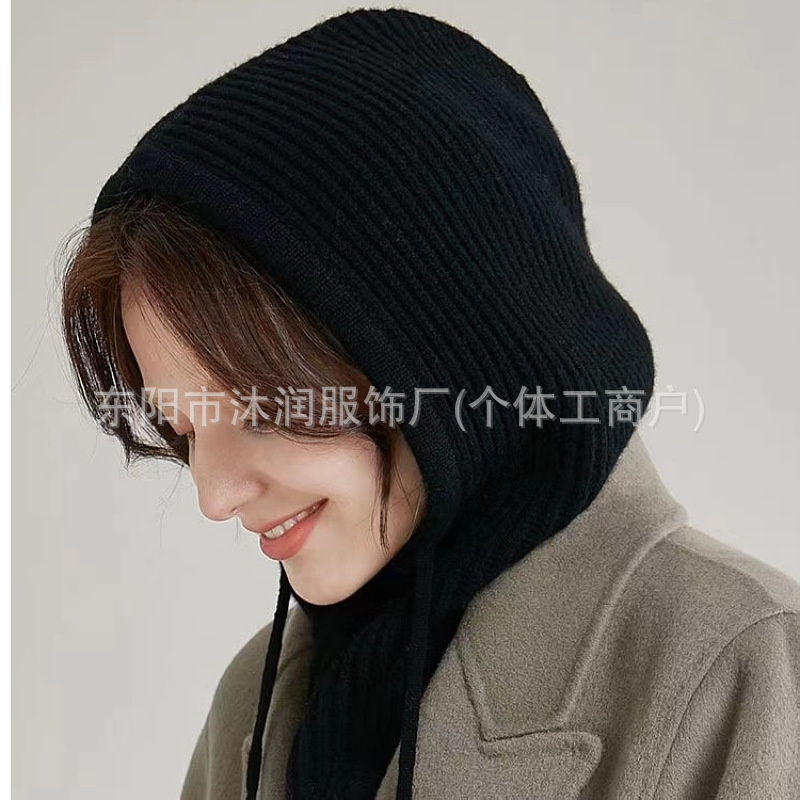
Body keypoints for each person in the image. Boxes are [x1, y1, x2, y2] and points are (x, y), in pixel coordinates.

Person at [60, 7, 800, 799]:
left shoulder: (743, 670)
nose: (214, 496)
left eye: (259, 408)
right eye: (185, 428)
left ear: (449, 346)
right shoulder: (261, 702)